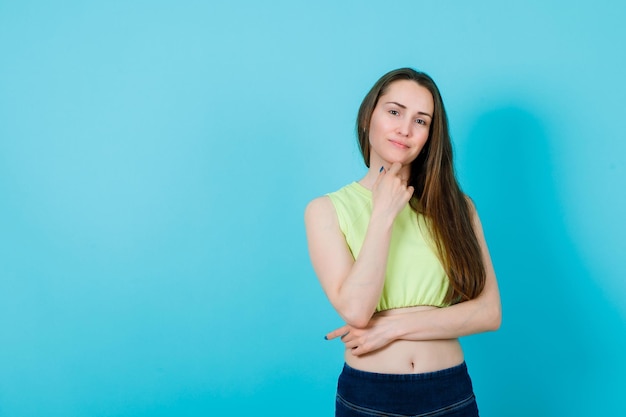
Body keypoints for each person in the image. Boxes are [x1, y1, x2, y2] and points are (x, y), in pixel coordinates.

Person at [304, 68, 501, 416]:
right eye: (394, 111)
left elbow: (489, 313)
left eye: (421, 121)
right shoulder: (325, 210)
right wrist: (382, 213)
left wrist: (392, 328)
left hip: (450, 392)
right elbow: (356, 310)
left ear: (430, 135)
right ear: (368, 117)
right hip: (370, 397)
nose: (405, 129)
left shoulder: (458, 207)